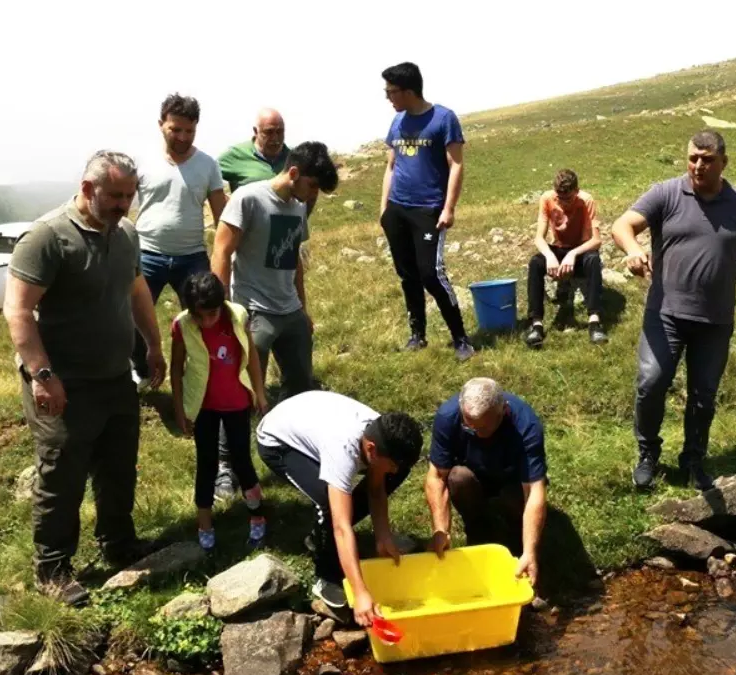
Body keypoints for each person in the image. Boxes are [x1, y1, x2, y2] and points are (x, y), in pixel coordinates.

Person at [2, 151, 167, 605]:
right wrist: (42, 374)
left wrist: (152, 345)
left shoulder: (126, 234)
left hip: (115, 378)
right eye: (114, 195)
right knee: (63, 476)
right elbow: (16, 309)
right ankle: (52, 569)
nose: (122, 205)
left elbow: (137, 292)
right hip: (63, 383)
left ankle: (119, 543)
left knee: (118, 467)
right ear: (88, 188)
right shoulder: (48, 238)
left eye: (129, 196)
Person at [611, 130, 736, 492]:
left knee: (703, 396)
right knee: (651, 383)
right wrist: (633, 250)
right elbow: (622, 225)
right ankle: (648, 453)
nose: (698, 165)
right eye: (693, 158)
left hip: (715, 321)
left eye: (708, 159)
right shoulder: (666, 193)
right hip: (665, 314)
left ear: (724, 163)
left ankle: (694, 460)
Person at [256, 392, 423, 626]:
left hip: (311, 419)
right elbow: (342, 527)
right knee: (327, 503)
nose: (394, 471)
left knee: (390, 475)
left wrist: (383, 537)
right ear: (371, 449)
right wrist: (361, 592)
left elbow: (376, 489)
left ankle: (321, 538)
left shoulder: (381, 437)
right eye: (392, 464)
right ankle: (326, 575)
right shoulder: (343, 449)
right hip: (278, 441)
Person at [212, 141, 338, 404]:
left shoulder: (298, 206)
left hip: (290, 309)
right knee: (245, 388)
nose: (314, 193)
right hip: (254, 309)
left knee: (301, 388)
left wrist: (303, 309)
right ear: (293, 173)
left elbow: (294, 259)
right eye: (312, 185)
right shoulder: (247, 198)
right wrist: (223, 308)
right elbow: (221, 252)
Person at [379, 62, 473, 361]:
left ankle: (460, 339)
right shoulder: (397, 122)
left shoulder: (443, 118)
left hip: (429, 209)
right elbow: (391, 166)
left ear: (408, 91)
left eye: (391, 92)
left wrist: (448, 208)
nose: (387, 97)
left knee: (431, 274)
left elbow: (456, 164)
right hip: (398, 209)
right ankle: (417, 335)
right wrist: (384, 209)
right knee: (407, 275)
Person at [170, 272, 269, 555]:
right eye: (199, 316)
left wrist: (260, 395)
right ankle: (204, 524)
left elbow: (251, 360)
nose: (206, 322)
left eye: (211, 314)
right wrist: (180, 409)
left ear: (222, 304)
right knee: (207, 462)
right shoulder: (183, 325)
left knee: (242, 461)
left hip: (237, 402)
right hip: (203, 406)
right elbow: (177, 368)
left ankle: (257, 515)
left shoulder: (237, 317)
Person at [132, 93, 227, 385]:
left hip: (192, 256)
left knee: (205, 317)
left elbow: (221, 213)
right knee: (133, 318)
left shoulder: (208, 165)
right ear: (161, 124)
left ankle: (199, 375)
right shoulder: (142, 162)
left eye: (190, 130)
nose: (183, 136)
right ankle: (143, 371)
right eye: (176, 129)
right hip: (147, 254)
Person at [425, 378, 545, 588]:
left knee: (513, 499)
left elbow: (534, 490)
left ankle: (516, 536)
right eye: (470, 428)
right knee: (458, 478)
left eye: (484, 428)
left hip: (512, 482)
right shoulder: (447, 417)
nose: (478, 434)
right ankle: (478, 528)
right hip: (473, 476)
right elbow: (436, 477)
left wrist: (530, 552)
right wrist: (440, 531)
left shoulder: (526, 425)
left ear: (503, 411)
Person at [526, 169, 607, 348]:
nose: (563, 203)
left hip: (580, 251)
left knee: (593, 260)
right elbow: (539, 237)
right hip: (557, 249)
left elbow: (596, 240)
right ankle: (536, 324)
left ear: (576, 191)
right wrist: (549, 255)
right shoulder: (547, 199)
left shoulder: (586, 201)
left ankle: (595, 321)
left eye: (568, 199)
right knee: (535, 263)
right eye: (560, 198)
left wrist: (573, 254)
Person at [218, 108, 290, 193]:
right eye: (269, 132)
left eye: (279, 132)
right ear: (256, 131)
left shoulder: (293, 158)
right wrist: (225, 203)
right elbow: (206, 175)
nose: (275, 138)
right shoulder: (236, 155)